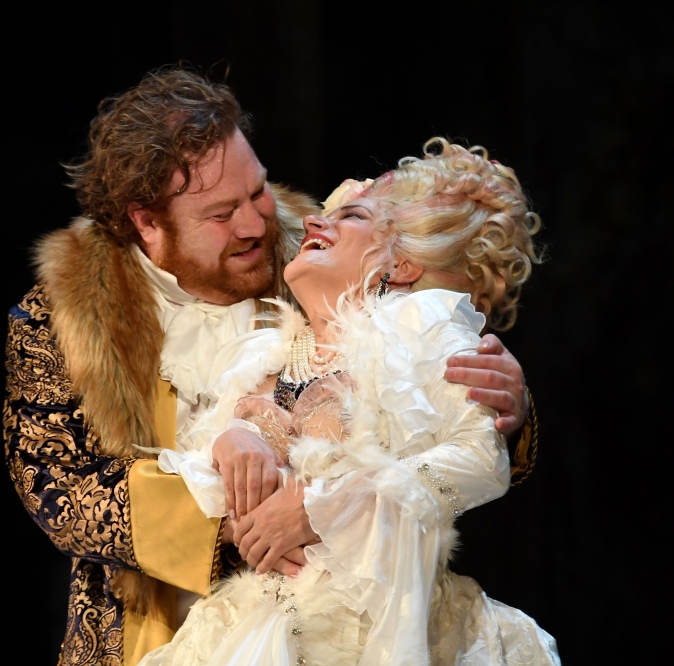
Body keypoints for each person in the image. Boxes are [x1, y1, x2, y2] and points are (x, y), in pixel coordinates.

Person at [3, 69, 535, 666]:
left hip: (348, 619)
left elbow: (424, 395)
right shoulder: (60, 316)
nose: (256, 223)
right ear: (146, 221)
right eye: (221, 213)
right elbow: (59, 487)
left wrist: (506, 407)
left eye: (256, 190)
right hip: (154, 623)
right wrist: (249, 515)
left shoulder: (315, 246)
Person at [140, 139, 559, 666]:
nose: (314, 222)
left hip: (377, 627)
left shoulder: (420, 331)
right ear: (146, 218)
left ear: (402, 265)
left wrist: (325, 508)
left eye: (351, 215)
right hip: (247, 626)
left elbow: (479, 459)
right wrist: (230, 440)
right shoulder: (270, 358)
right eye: (220, 211)